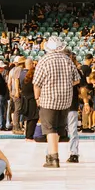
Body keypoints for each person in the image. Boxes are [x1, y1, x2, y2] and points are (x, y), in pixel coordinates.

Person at [32, 35, 80, 168]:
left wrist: (37, 98)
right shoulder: (67, 60)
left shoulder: (44, 60)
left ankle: (53, 157)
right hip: (66, 100)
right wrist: (65, 84)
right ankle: (53, 154)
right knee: (58, 128)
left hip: (48, 99)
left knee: (49, 128)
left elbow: (37, 83)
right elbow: (77, 79)